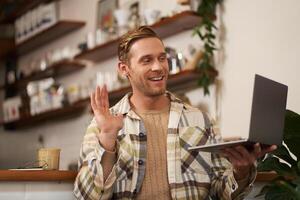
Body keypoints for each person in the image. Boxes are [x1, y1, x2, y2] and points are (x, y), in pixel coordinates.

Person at [74, 26, 276, 200]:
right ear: (124, 69)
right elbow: (88, 196)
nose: (159, 67)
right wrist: (108, 139)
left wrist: (241, 171)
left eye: (162, 58)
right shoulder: (103, 124)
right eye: (146, 60)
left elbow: (221, 192)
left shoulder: (200, 120)